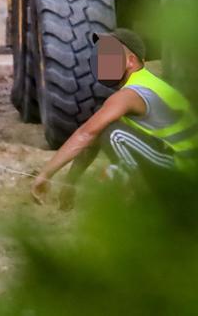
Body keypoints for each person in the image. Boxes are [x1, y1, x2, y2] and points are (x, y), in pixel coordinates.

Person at [31, 29, 198, 206]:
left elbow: (86, 134)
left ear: (131, 61)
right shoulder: (146, 83)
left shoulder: (131, 94)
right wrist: (70, 181)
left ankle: (140, 196)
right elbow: (91, 140)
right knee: (105, 128)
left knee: (113, 133)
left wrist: (45, 174)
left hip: (185, 173)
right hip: (183, 165)